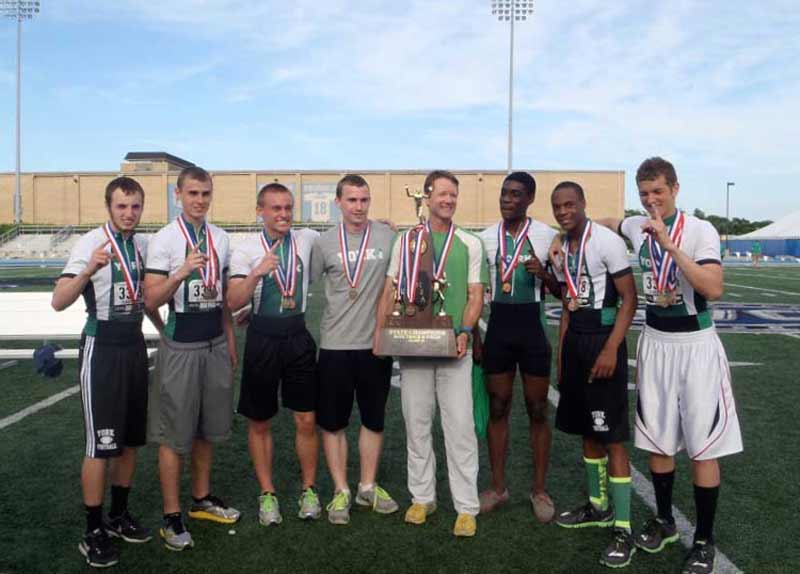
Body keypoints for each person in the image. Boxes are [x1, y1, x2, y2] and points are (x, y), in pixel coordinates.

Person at [598, 157, 743, 574]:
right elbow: (611, 221)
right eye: (644, 195)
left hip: (695, 345)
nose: (651, 201)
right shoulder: (635, 225)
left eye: (658, 192)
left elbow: (713, 288)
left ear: (675, 189)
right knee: (658, 441)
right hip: (656, 343)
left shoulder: (700, 231)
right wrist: (566, 237)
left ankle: (703, 539)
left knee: (702, 446)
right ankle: (664, 521)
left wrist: (669, 245)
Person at [53, 176, 163, 568]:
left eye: (135, 206)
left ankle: (118, 516)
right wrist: (89, 270)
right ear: (109, 207)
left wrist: (165, 333)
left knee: (131, 440)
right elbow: (58, 301)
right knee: (100, 444)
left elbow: (145, 299)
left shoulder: (144, 245)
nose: (129, 213)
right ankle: (92, 529)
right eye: (121, 206)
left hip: (134, 347)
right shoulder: (90, 243)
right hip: (101, 350)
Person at [376, 170, 487, 537]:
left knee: (460, 429)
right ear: (427, 197)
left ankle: (466, 506)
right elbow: (391, 289)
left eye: (453, 195)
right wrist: (381, 333)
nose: (449, 200)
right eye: (442, 194)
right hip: (414, 348)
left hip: (453, 350)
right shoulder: (406, 242)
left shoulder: (469, 244)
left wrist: (466, 332)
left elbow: (475, 296)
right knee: (417, 424)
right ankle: (422, 497)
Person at [144, 166, 240, 551]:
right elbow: (151, 300)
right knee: (174, 435)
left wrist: (230, 341)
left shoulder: (221, 237)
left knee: (206, 428)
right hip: (180, 344)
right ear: (178, 195)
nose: (200, 200)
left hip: (215, 342)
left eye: (205, 194)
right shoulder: (165, 239)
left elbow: (224, 300)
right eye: (193, 193)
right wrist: (182, 271)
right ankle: (171, 516)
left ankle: (200, 499)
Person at [549, 182, 638, 568]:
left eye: (570, 204)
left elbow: (629, 300)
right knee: (587, 429)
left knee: (613, 437)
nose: (564, 211)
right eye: (558, 206)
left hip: (604, 339)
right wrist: (562, 353)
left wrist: (610, 349)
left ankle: (623, 528)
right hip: (576, 342)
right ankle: (597, 506)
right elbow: (568, 303)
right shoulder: (562, 247)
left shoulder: (606, 242)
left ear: (583, 204)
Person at [227, 183, 321, 525]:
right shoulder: (246, 249)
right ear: (260, 211)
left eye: (287, 208)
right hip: (262, 338)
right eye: (275, 208)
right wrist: (256, 273)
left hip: (297, 335)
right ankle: (267, 494)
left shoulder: (307, 239)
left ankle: (309, 489)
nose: (283, 214)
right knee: (260, 420)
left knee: (306, 419)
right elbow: (233, 301)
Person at [310, 174, 398, 524]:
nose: (358, 207)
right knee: (333, 423)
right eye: (352, 200)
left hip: (375, 344)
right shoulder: (323, 243)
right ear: (339, 203)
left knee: (373, 420)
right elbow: (305, 283)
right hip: (334, 345)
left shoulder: (387, 237)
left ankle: (366, 485)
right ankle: (340, 490)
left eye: (364, 200)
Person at [477, 171, 561, 523]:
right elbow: (473, 291)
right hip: (498, 328)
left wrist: (543, 274)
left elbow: (563, 291)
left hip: (532, 330)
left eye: (515, 194)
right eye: (504, 193)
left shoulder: (546, 236)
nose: (507, 199)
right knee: (498, 407)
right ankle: (498, 487)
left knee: (538, 408)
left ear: (529, 199)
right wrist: (477, 336)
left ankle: (539, 489)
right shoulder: (484, 239)